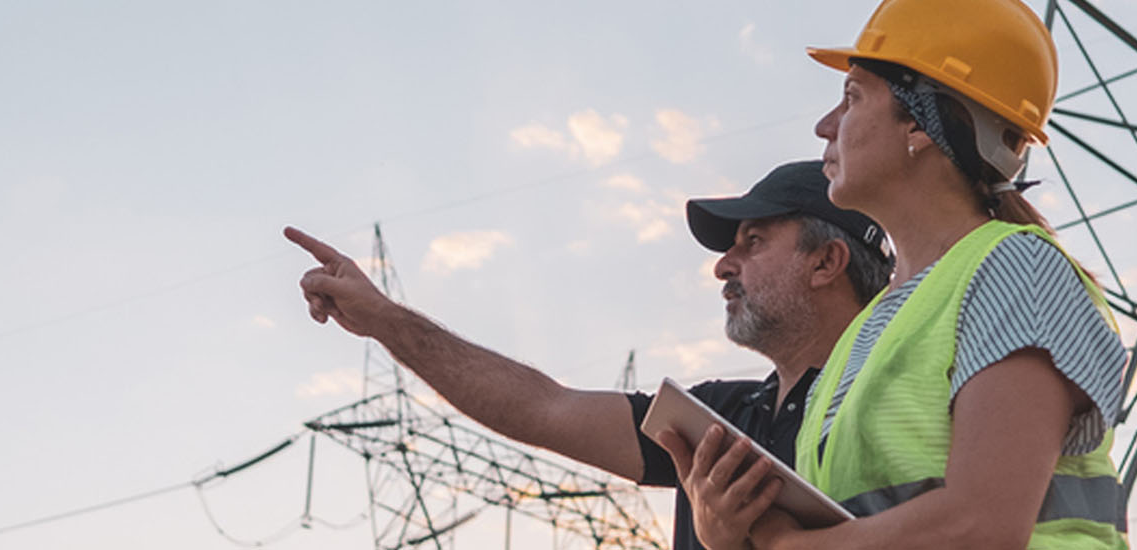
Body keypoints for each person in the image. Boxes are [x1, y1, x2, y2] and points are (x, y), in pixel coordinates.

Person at [669, 0, 1132, 548]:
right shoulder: (870, 334)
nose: (825, 126)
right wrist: (730, 535)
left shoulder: (1016, 268)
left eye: (851, 97)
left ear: (919, 123)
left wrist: (784, 545)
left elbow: (980, 525)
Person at [285, 160, 892, 549]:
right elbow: (542, 408)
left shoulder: (900, 403)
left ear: (826, 262)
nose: (722, 266)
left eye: (753, 242)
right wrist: (387, 321)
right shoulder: (714, 419)